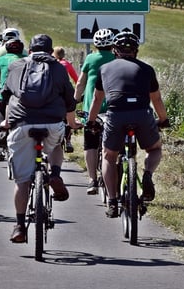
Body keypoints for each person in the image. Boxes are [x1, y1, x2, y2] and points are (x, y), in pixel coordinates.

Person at [0, 34, 80, 243]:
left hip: (22, 124)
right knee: (55, 145)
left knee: (22, 181)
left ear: (31, 49)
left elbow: (4, 97)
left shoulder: (17, 66)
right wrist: (71, 123)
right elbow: (69, 101)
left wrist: (4, 121)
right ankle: (54, 173)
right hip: (52, 123)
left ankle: (19, 225)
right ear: (51, 50)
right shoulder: (58, 68)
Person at [86, 32, 170, 218]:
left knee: (108, 157)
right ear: (136, 50)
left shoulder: (105, 69)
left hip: (116, 115)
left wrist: (91, 122)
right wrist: (163, 120)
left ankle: (113, 201)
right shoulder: (147, 69)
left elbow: (97, 99)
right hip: (142, 114)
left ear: (115, 50)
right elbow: (156, 99)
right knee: (154, 148)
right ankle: (147, 175)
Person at [75, 28, 116, 194]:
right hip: (113, 108)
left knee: (90, 144)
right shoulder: (116, 58)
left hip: (92, 109)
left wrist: (75, 100)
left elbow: (80, 83)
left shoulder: (91, 58)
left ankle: (92, 179)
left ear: (95, 44)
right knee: (113, 145)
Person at [0, 38, 26, 160]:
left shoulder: (1, 59)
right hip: (20, 95)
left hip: (5, 93)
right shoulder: (25, 60)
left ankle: (1, 136)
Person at [53, 46, 79, 153]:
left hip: (55, 93)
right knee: (69, 116)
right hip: (66, 92)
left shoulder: (52, 64)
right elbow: (76, 79)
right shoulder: (67, 64)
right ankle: (68, 141)